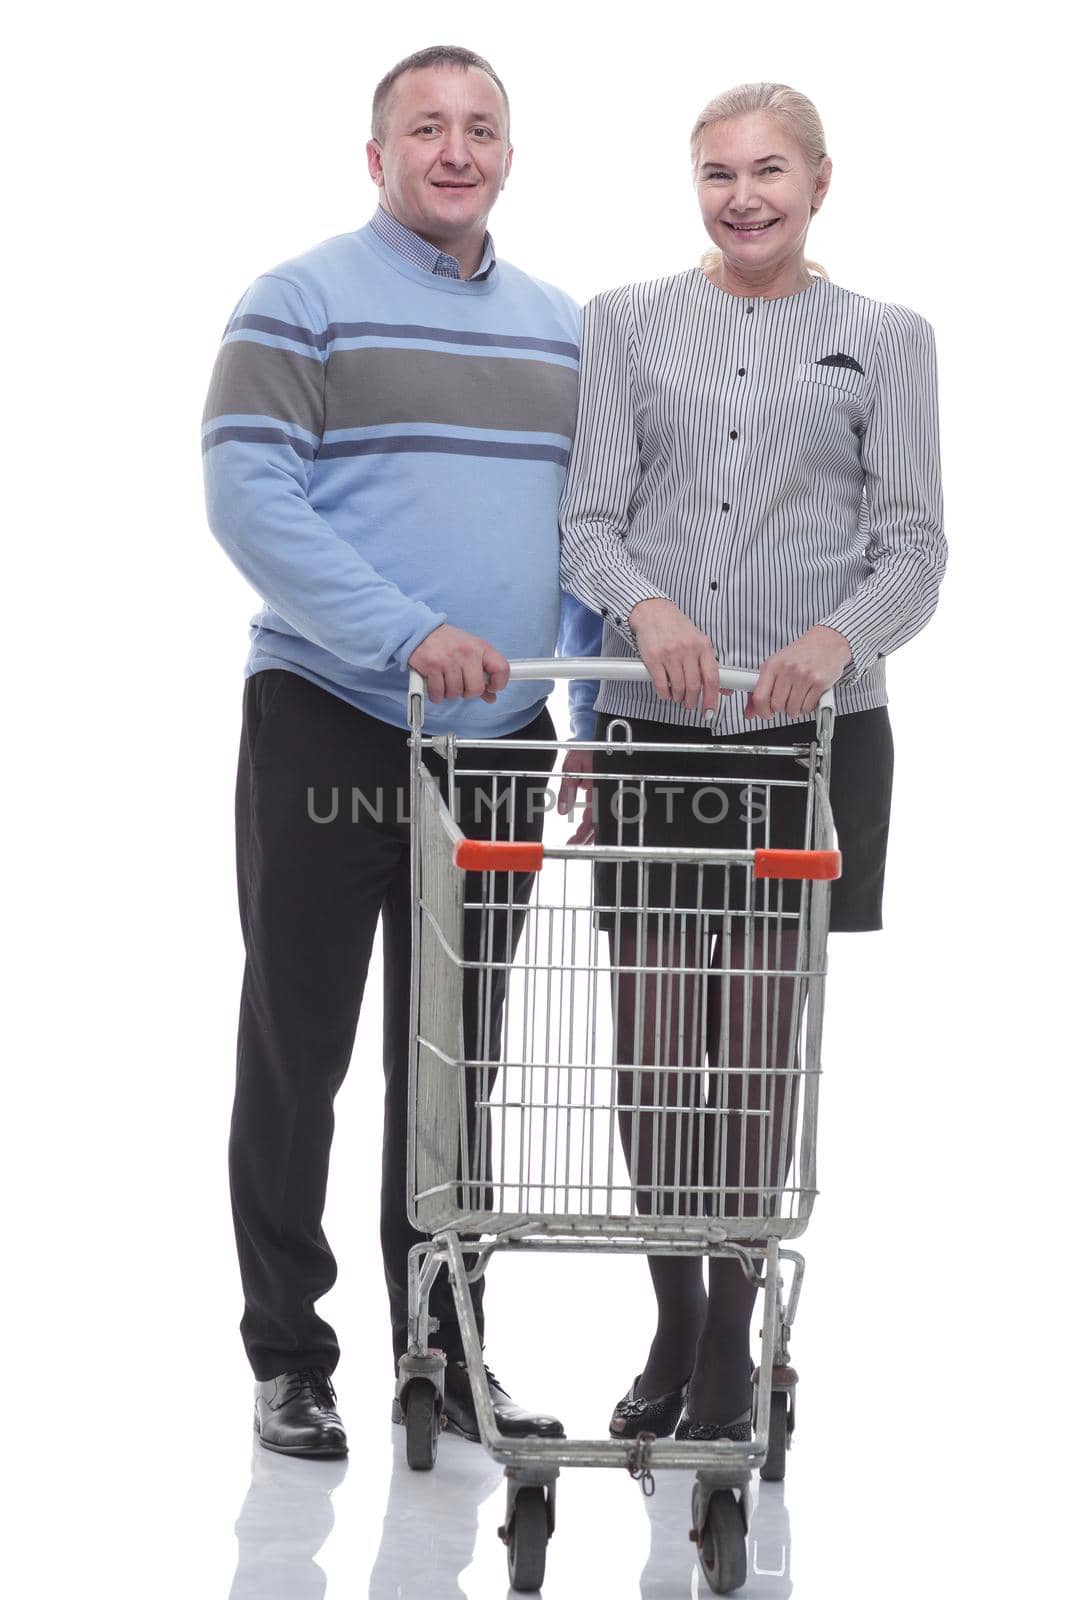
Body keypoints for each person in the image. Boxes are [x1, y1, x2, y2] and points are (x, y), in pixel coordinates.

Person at [203, 43, 600, 1459]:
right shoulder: (298, 299)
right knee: (299, 1046)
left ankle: (446, 1353)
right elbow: (248, 495)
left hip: (500, 737)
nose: (455, 149)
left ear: (508, 153)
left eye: (480, 127)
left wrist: (591, 725)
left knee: (460, 1067)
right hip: (330, 707)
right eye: (424, 127)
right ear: (376, 157)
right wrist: (404, 630)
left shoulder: (564, 331)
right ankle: (289, 1359)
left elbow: (593, 544)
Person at [558, 82, 945, 1441]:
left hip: (811, 737)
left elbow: (915, 546)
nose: (744, 196)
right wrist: (649, 613)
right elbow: (591, 525)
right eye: (717, 174)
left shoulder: (886, 340)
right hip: (656, 731)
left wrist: (833, 639)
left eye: (770, 170)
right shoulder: (626, 324)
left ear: (822, 182)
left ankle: (733, 1340)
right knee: (657, 1051)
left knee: (760, 1051)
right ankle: (679, 1320)